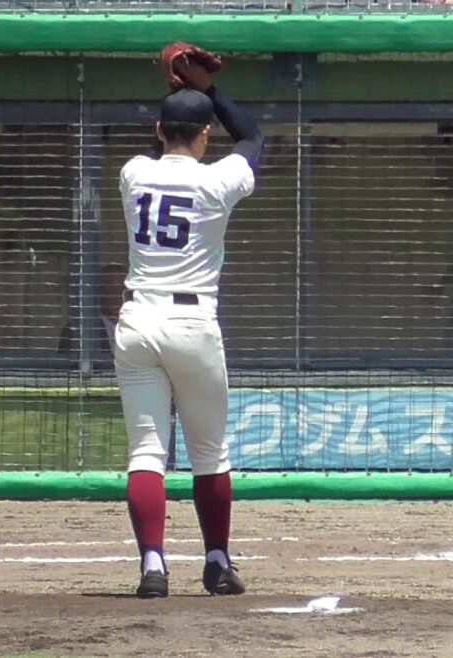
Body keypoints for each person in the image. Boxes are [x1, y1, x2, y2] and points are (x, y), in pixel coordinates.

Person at [114, 54, 264, 598]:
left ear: (158, 130)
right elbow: (252, 138)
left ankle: (153, 565)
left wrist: (180, 95)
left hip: (136, 320)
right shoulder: (217, 181)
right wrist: (211, 91)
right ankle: (217, 561)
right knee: (210, 453)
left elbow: (166, 148)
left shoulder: (133, 173)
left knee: (146, 453)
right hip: (192, 319)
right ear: (205, 135)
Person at [58, 262, 127, 355]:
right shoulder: (76, 330)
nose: (114, 292)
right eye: (108, 286)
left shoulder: (141, 327)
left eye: (120, 287)